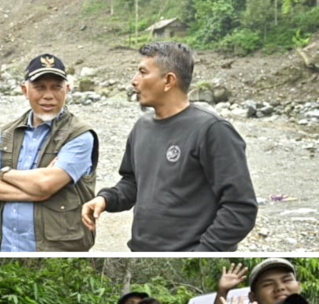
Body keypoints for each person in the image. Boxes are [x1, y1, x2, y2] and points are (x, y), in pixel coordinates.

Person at [81, 41, 257, 251]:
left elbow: (240, 208)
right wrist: (106, 199)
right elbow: (133, 182)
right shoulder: (142, 127)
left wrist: (202, 253)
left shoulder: (212, 129)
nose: (133, 81)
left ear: (168, 81)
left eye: (143, 73)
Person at [0, 53, 98, 252]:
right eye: (40, 87)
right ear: (25, 90)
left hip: (56, 250)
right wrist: (35, 193)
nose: (48, 95)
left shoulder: (79, 135)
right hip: (9, 246)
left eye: (56, 87)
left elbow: (44, 184)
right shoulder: (9, 132)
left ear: (67, 89)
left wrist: (5, 174)